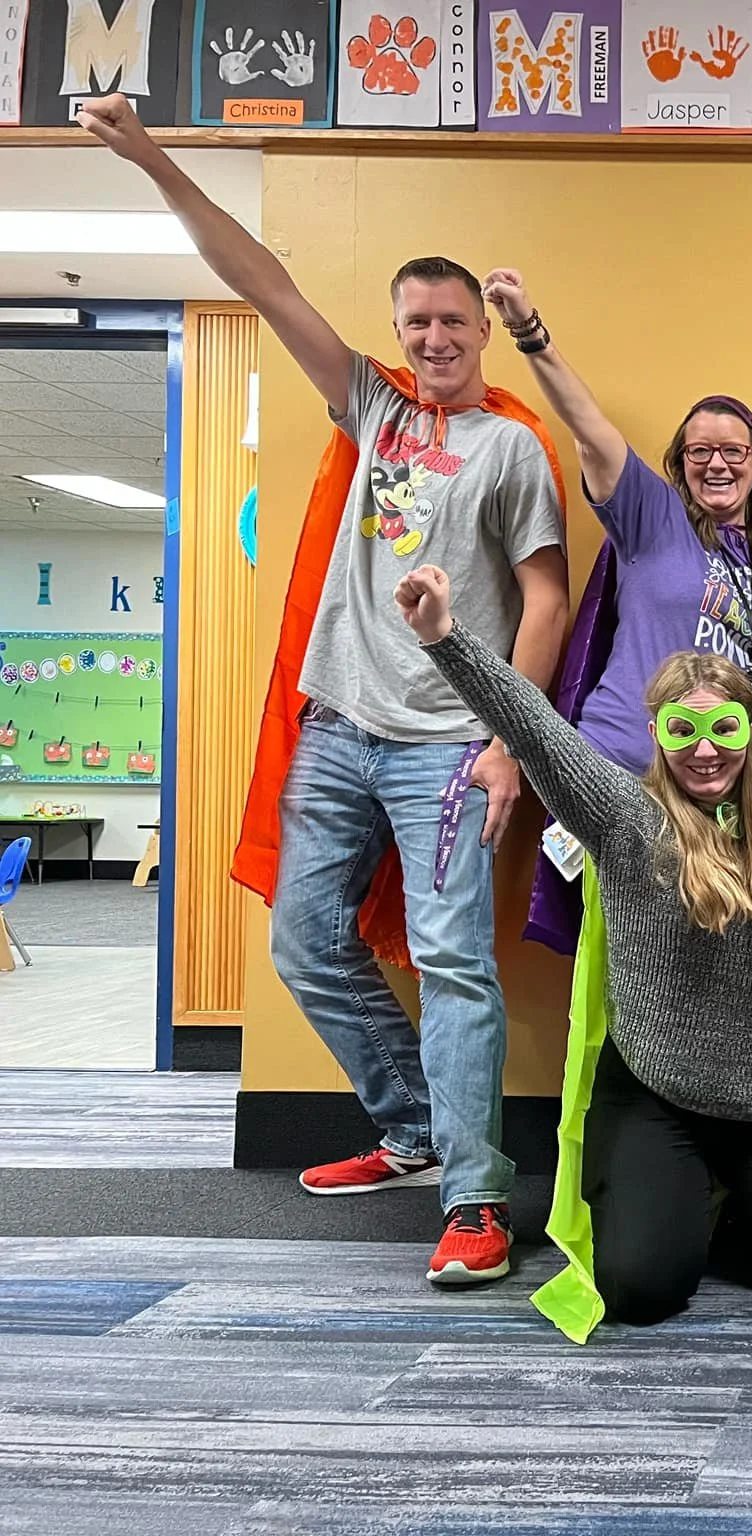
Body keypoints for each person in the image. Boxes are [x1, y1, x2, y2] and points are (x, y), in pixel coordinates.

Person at [79, 94, 572, 1287]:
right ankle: (410, 1127)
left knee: (454, 965)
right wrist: (153, 158)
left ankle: (475, 1199)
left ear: (482, 332)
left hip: (448, 747)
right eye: (418, 322)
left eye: (453, 322)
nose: (436, 339)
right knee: (305, 941)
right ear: (398, 332)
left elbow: (546, 600)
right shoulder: (373, 406)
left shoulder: (510, 448)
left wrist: (508, 743)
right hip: (337, 732)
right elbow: (261, 281)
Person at [395, 565, 752, 1330]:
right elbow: (535, 728)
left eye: (723, 730)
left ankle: (729, 1208)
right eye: (683, 731)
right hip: (659, 1093)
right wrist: (444, 636)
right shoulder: (624, 820)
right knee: (642, 1289)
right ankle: (676, 1206)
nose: (705, 751)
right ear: (656, 736)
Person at [471, 272, 752, 954]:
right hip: (631, 775)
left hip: (740, 793)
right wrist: (528, 330)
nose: (716, 463)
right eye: (699, 451)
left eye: (733, 451)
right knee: (630, 967)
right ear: (680, 464)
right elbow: (589, 428)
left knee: (725, 968)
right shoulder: (653, 517)